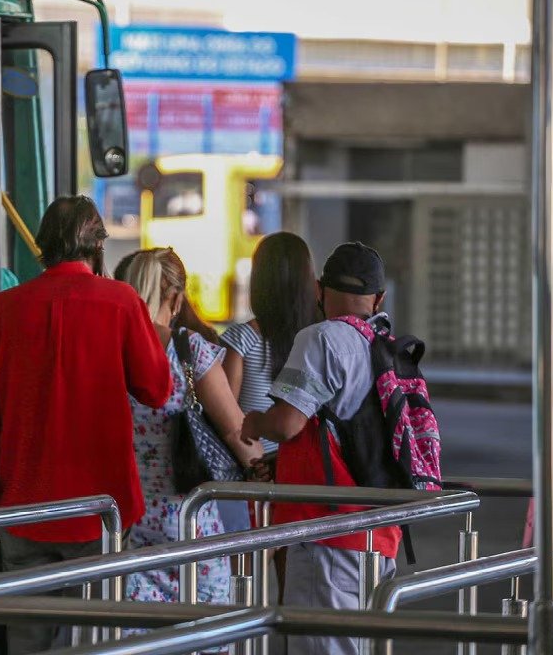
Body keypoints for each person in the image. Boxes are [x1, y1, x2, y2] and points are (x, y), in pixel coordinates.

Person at [0, 196, 171, 655]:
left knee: (27, 644)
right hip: (101, 512)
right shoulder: (122, 303)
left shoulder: (2, 311)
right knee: (95, 641)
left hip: (21, 510)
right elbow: (156, 390)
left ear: (42, 247)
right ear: (99, 248)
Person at [240, 242, 398, 655]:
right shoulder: (387, 346)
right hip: (380, 535)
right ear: (379, 298)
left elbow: (288, 423)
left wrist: (256, 421)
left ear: (318, 289)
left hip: (328, 536)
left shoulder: (323, 338)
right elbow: (349, 435)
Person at [116, 248, 263, 606]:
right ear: (176, 297)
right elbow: (234, 430)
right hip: (189, 523)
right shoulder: (188, 348)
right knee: (201, 632)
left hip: (125, 526)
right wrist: (264, 466)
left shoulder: (109, 348)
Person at [222, 232, 319, 455]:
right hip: (309, 477)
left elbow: (227, 420)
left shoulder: (242, 339)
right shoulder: (320, 341)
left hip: (253, 473)